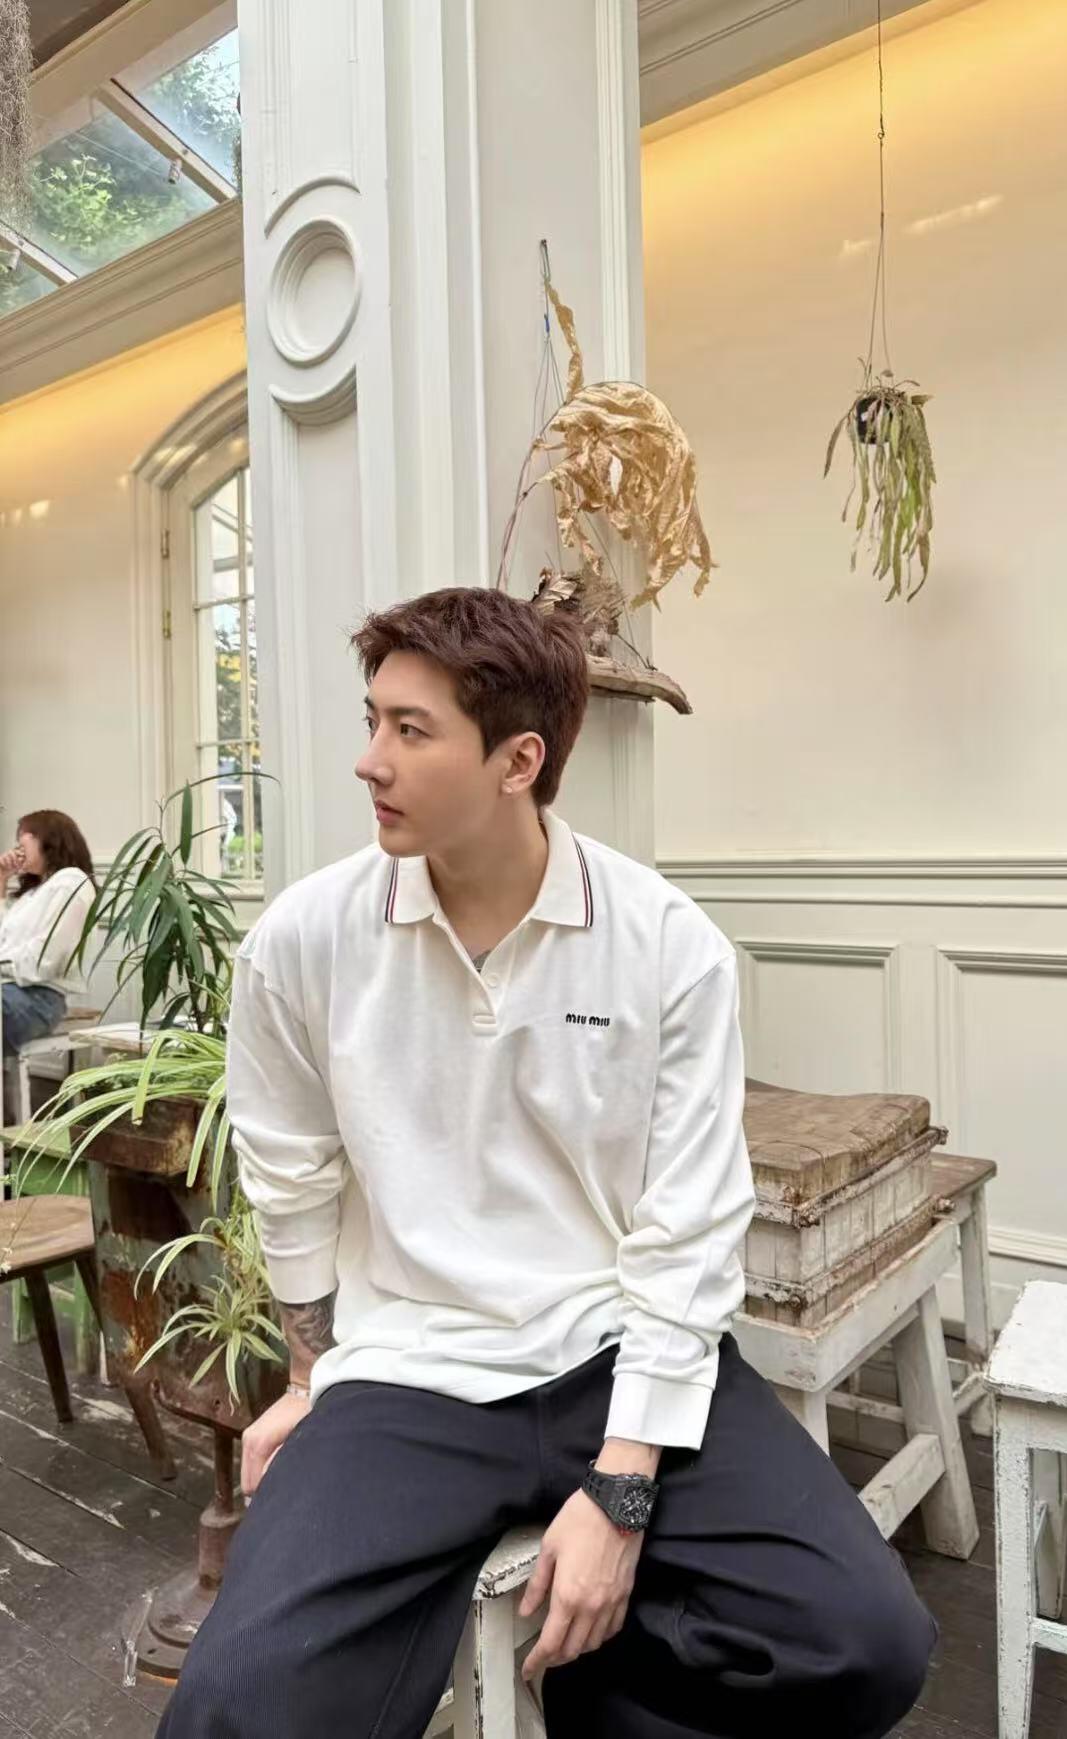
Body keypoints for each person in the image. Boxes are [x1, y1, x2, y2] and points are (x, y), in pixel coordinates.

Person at [157, 587, 936, 1739]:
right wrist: (313, 1374)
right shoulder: (303, 941)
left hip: (616, 1349)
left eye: (410, 729)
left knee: (862, 1642)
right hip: (408, 1371)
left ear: (518, 760)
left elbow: (686, 1228)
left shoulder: (665, 944)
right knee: (234, 1708)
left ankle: (589, 1687)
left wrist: (621, 1484)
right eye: (372, 720)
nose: (370, 759)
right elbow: (291, 1174)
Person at [0, 810, 96, 1061]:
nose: (17, 845)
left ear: (48, 838)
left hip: (36, 998)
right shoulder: (35, 893)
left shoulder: (71, 883)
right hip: (12, 991)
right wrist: (1, 878)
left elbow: (43, 963)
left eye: (23, 837)